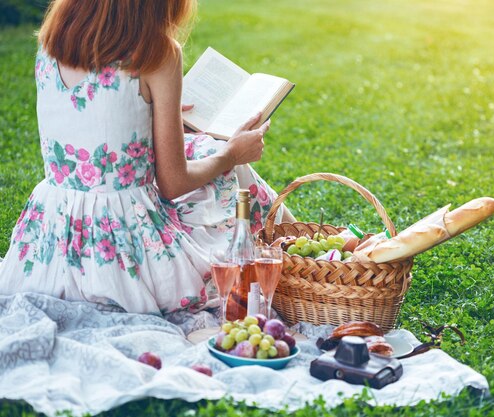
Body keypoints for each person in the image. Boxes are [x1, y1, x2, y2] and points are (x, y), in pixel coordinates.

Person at [0, 0, 294, 315]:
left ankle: (299, 238)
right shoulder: (156, 52)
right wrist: (233, 153)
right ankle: (298, 243)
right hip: (123, 244)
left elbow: (96, 125)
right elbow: (173, 183)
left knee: (200, 146)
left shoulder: (51, 43)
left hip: (51, 239)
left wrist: (153, 115)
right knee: (216, 153)